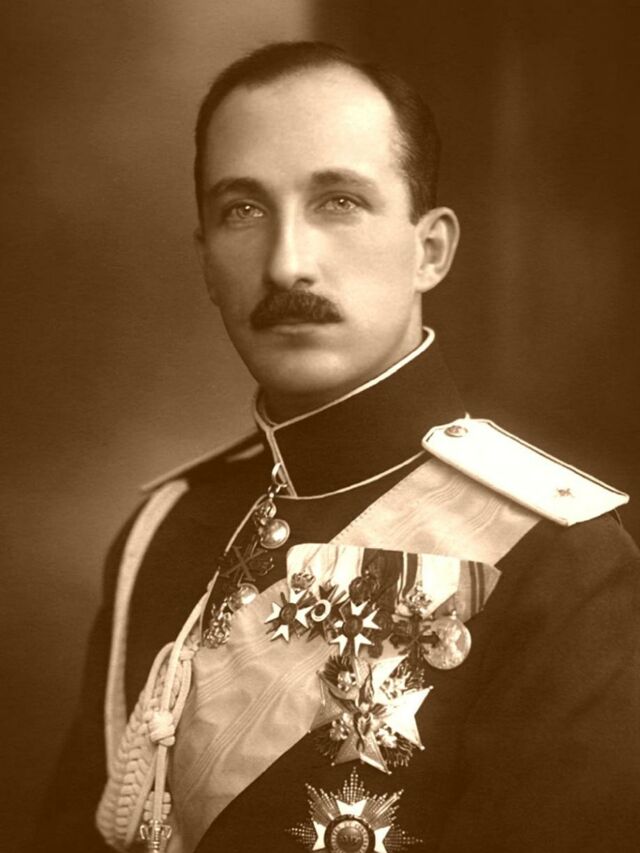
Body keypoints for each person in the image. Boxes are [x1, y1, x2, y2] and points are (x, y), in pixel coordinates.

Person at [37, 41, 640, 853]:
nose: (288, 264)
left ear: (430, 250)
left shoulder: (563, 563)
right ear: (206, 261)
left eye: (340, 201)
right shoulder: (163, 533)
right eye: (243, 210)